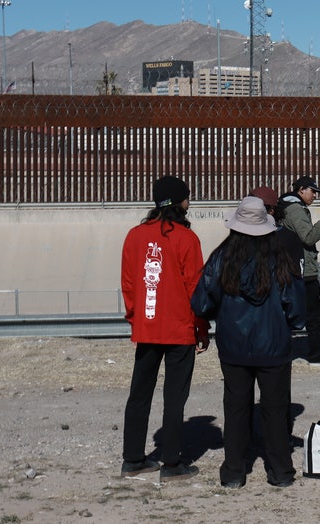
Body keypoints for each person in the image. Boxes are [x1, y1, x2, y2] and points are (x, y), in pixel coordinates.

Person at [190, 196, 306, 488]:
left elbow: (201, 302)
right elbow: (297, 308)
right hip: (274, 347)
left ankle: (233, 472)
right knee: (276, 411)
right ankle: (280, 472)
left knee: (236, 409)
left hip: (233, 346)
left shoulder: (222, 257)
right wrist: (287, 326)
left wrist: (221, 315)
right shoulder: (281, 258)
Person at [119, 175, 209, 482]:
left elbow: (129, 284)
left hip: (146, 328)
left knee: (139, 394)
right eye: (187, 197)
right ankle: (171, 464)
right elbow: (196, 288)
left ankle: (132, 459)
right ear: (178, 202)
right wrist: (202, 328)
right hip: (179, 329)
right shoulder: (187, 239)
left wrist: (136, 319)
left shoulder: (134, 236)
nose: (189, 202)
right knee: (174, 397)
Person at [278, 176, 320, 366]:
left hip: (293, 268)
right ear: (301, 189)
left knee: (289, 314)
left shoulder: (288, 206)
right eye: (312, 191)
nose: (315, 195)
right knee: (313, 316)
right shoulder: (296, 209)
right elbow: (308, 237)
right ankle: (316, 356)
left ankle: (279, 354)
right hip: (303, 271)